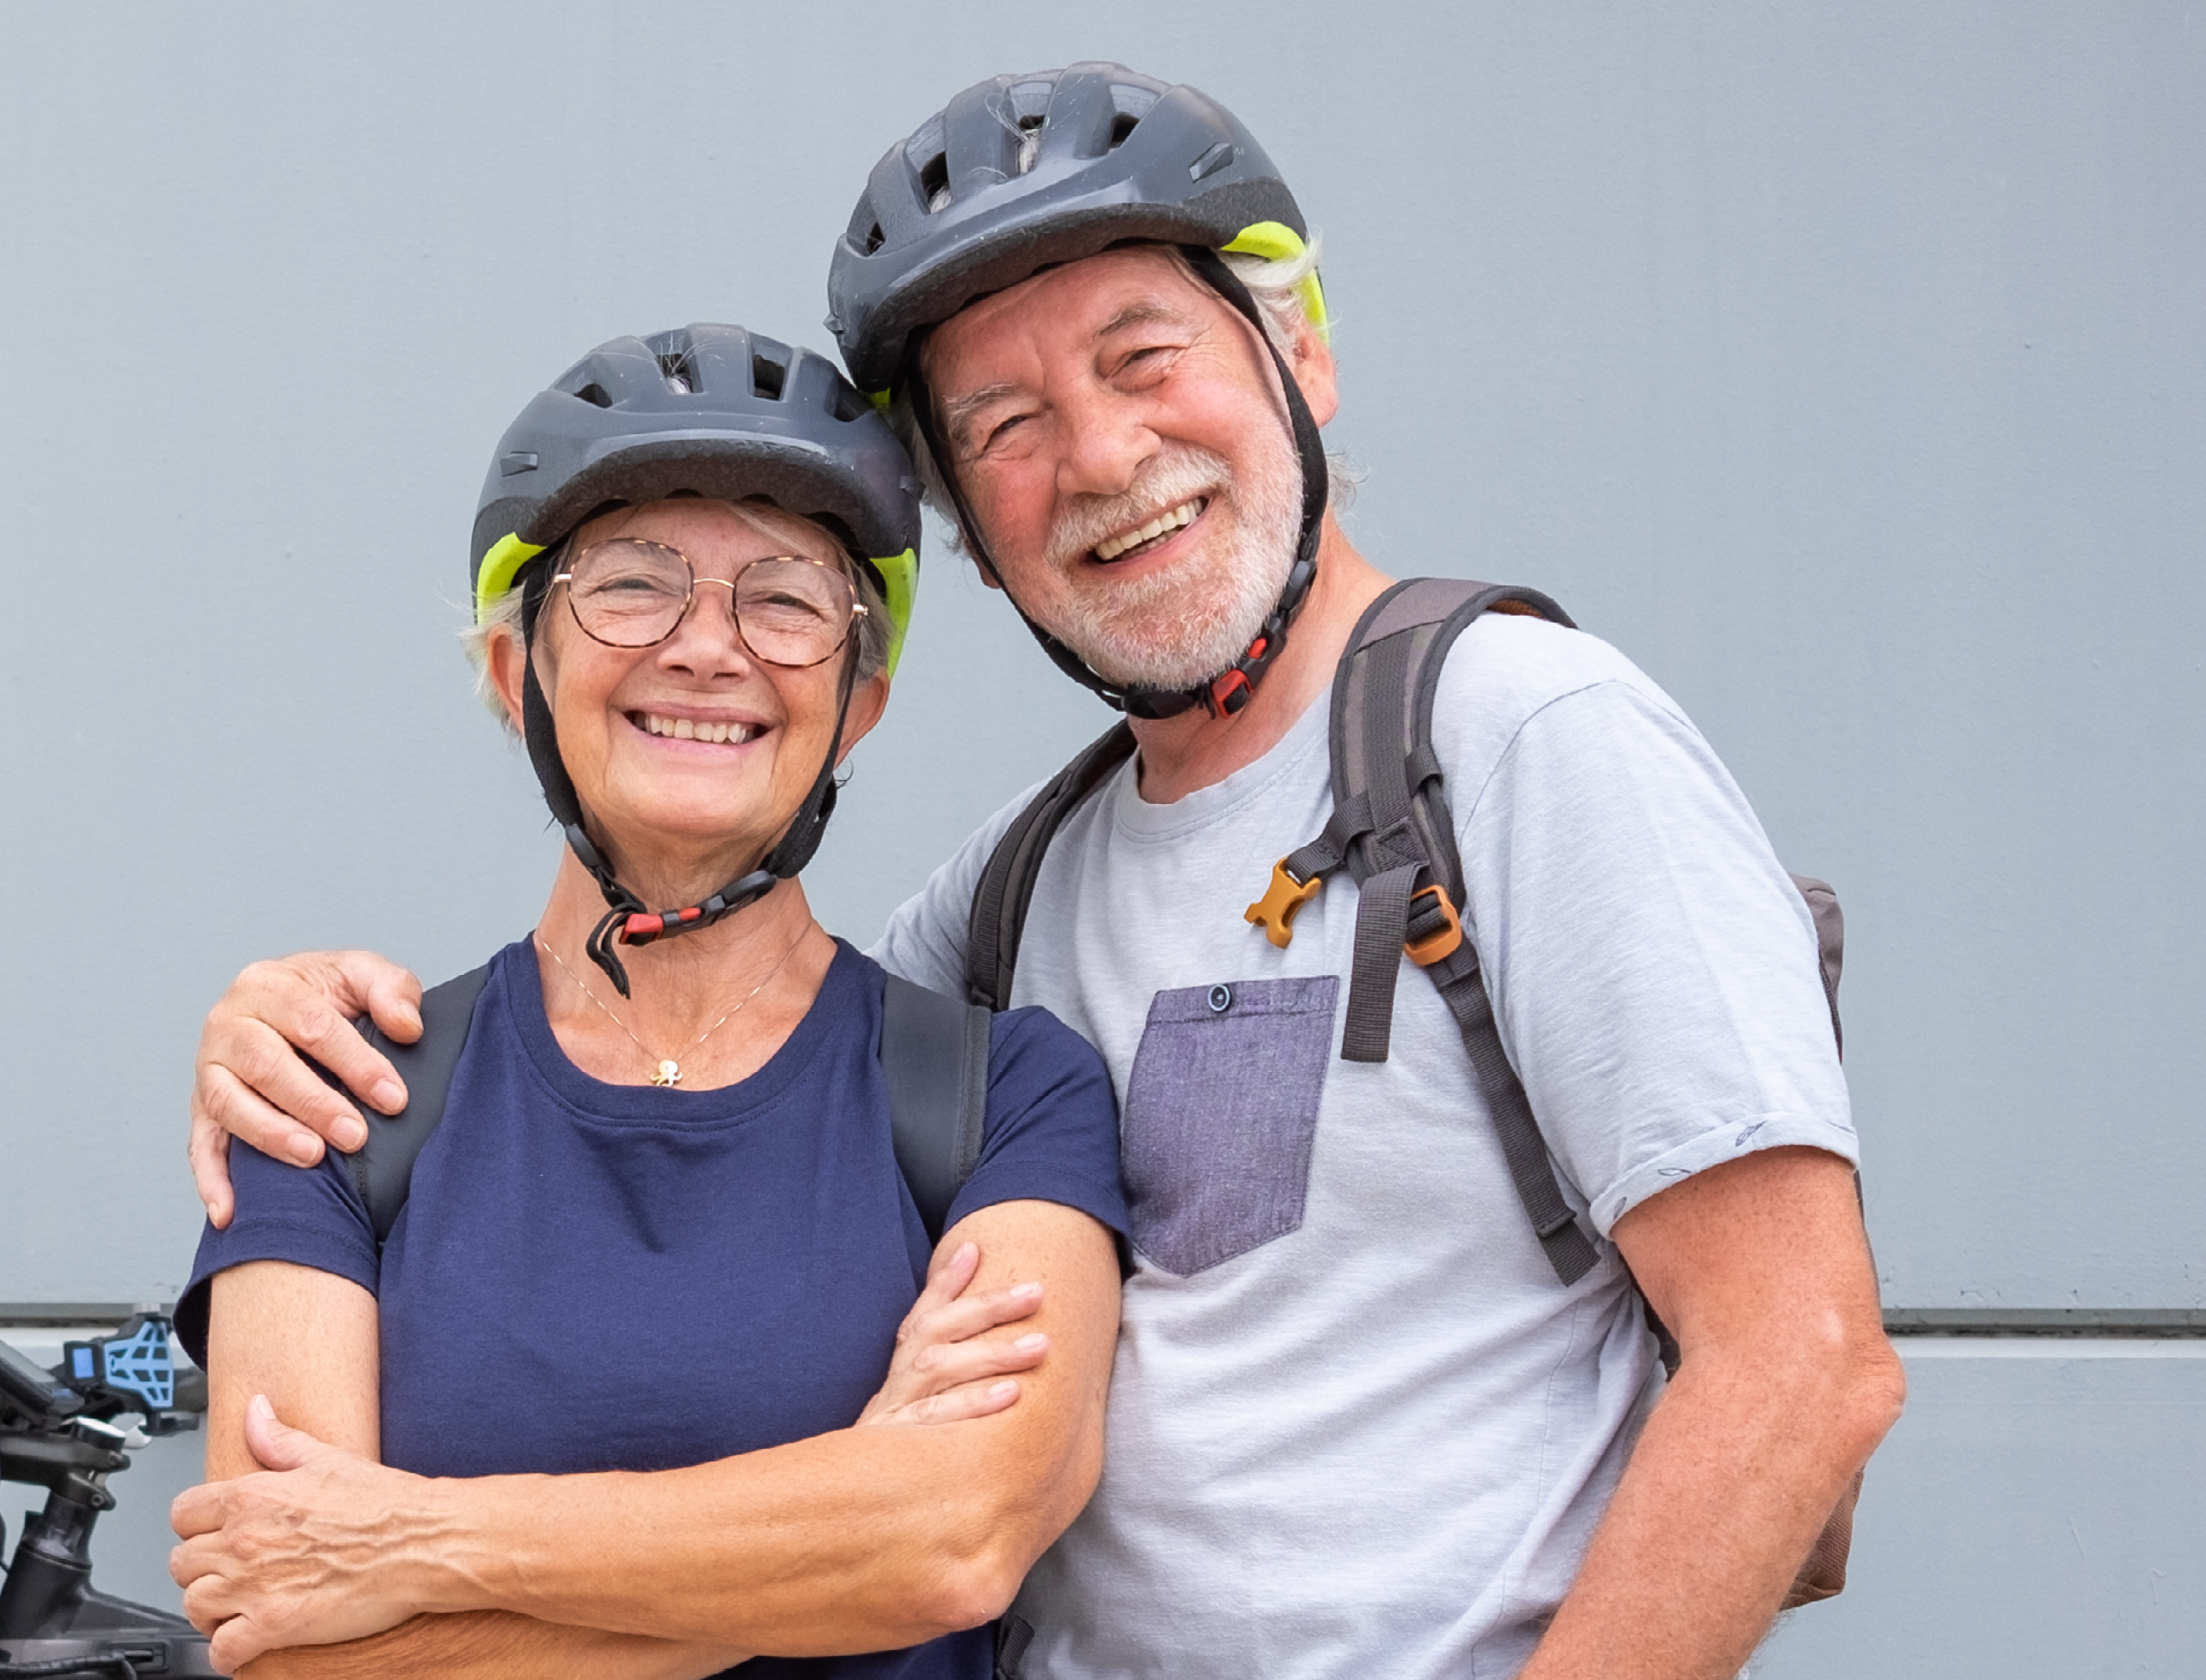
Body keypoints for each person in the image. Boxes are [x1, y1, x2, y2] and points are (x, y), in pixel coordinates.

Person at [180, 64, 1899, 1680]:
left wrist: (416, 1540)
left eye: (1143, 358)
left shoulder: (1519, 733)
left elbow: (1798, 1364)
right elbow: (729, 993)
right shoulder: (1019, 895)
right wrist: (272, 1020)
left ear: (1297, 351)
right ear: (975, 543)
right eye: (1002, 421)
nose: (1092, 455)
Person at [172, 321, 1132, 1679]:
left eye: (787, 600)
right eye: (632, 587)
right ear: (518, 674)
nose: (707, 648)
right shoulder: (330, 1092)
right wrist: (840, 1511)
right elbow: (291, 1645)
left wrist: (418, 1545)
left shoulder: (1008, 1095)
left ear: (858, 705)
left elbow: (955, 1544)